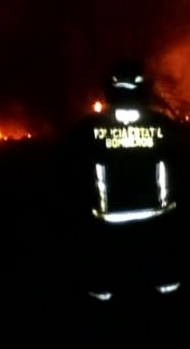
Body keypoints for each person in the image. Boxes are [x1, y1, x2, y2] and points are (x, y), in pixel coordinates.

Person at [74, 58, 182, 301]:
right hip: (156, 216)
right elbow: (180, 165)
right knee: (165, 279)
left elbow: (74, 170)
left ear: (109, 89)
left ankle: (102, 310)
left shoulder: (90, 128)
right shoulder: (162, 125)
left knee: (104, 283)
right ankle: (172, 309)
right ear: (144, 89)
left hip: (109, 218)